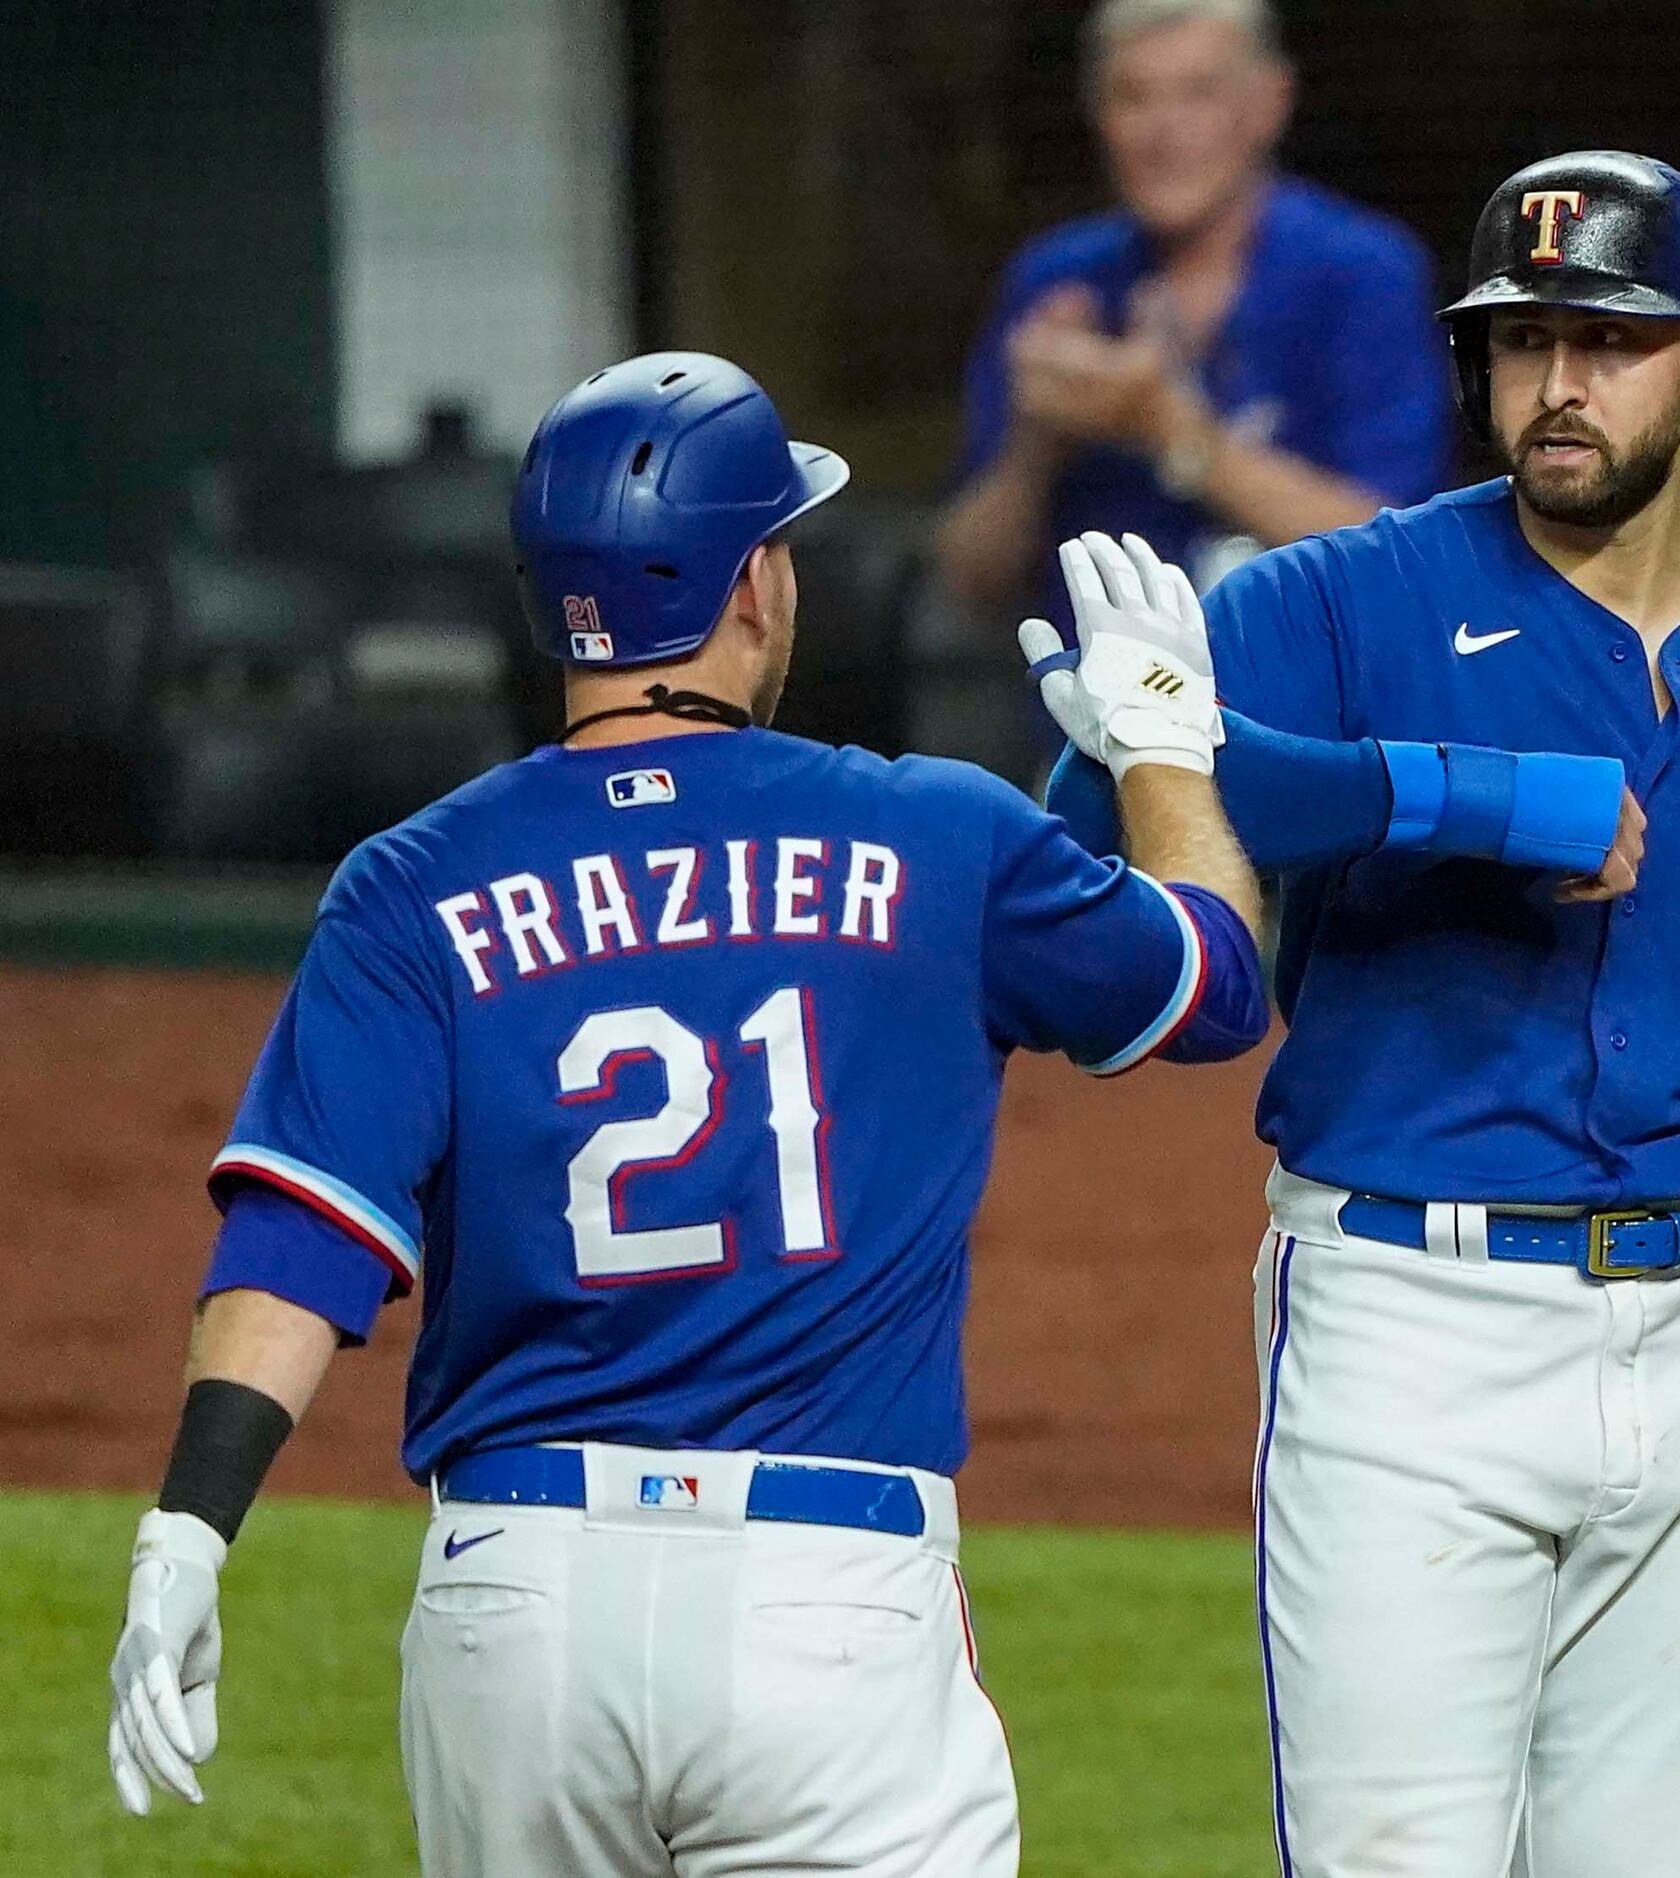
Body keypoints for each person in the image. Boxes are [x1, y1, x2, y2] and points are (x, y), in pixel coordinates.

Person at [101, 352, 1268, 1877]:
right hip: (822, 1596)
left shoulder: (413, 881)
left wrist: (188, 1529)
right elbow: (1210, 982)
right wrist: (1162, 747)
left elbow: (302, 1235)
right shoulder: (934, 833)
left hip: (513, 1604)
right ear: (756, 587)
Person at [1034, 151, 1680, 1876]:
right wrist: (1461, 797)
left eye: (1607, 340)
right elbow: (1088, 815)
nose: (1555, 385)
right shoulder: (1334, 600)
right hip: (1406, 1328)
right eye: (1517, 342)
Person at [934, 0, 1451, 635]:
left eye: (1198, 94)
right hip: (1092, 709)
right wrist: (1036, 443)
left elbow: (1400, 559)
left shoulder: (1362, 271)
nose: (1163, 130)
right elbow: (968, 582)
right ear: (1096, 112)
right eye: (1133, 97)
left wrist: (1171, 429)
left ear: (1269, 103)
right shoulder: (1055, 282)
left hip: (1303, 712)